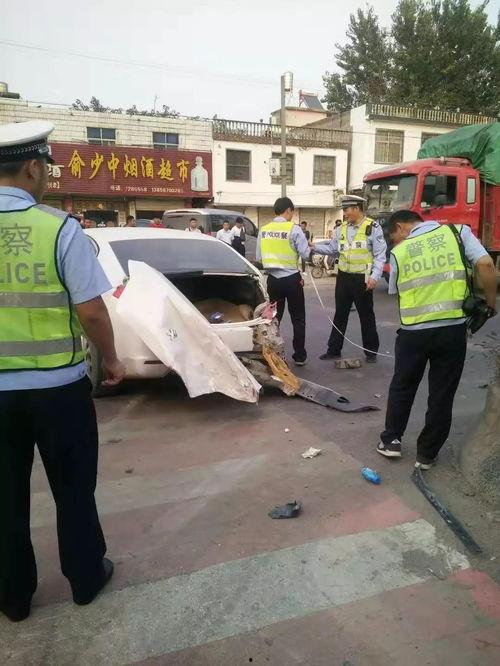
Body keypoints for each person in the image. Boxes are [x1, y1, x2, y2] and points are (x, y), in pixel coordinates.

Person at [0, 120, 125, 622]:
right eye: (46, 169)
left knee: (4, 496)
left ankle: (13, 597)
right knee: (73, 489)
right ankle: (85, 579)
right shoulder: (58, 228)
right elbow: (91, 311)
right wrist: (111, 358)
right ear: (33, 168)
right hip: (58, 390)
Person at [377, 210, 497, 469]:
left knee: (402, 387)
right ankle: (426, 455)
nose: (395, 241)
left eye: (393, 236)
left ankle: (391, 441)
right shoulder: (458, 233)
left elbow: (397, 292)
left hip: (413, 334)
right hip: (451, 331)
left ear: (401, 227)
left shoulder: (399, 252)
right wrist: (489, 305)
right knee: (442, 393)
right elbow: (486, 265)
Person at [312, 194, 386, 364]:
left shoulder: (373, 227)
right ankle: (334, 350)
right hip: (344, 277)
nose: (345, 213)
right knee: (340, 314)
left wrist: (374, 276)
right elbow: (333, 249)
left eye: (347, 210)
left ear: (357, 209)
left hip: (362, 278)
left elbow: (380, 255)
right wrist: (314, 247)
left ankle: (371, 351)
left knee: (366, 315)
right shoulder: (341, 229)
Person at [256, 197, 311, 366]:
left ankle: (272, 354)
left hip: (273, 281)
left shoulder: (264, 230)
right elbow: (306, 254)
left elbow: (259, 257)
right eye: (292, 212)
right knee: (298, 318)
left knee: (273, 318)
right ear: (288, 210)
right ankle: (299, 356)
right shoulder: (294, 229)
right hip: (292, 280)